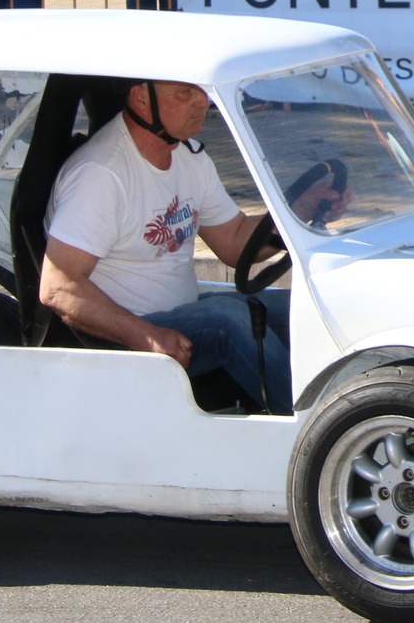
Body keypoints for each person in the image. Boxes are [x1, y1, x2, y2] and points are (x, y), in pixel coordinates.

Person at [39, 80, 292, 413]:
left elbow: (234, 241)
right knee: (228, 321)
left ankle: (361, 403)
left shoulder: (189, 157)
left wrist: (295, 216)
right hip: (127, 335)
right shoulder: (101, 175)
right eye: (185, 92)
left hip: (184, 315)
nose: (202, 102)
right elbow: (58, 287)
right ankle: (318, 428)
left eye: (201, 90)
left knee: (296, 309)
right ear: (142, 97)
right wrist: (147, 336)